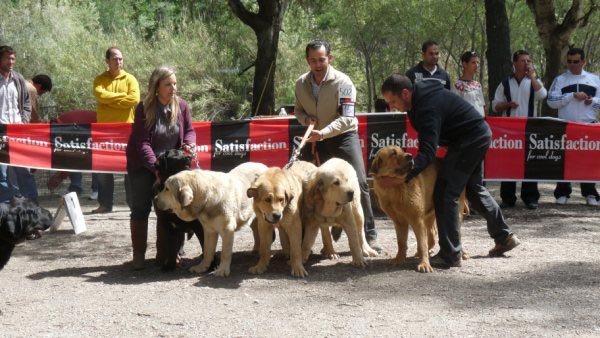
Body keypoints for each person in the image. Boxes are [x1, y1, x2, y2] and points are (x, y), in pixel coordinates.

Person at [381, 74, 520, 268]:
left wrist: (404, 177)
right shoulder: (419, 100)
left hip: (470, 140)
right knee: (473, 189)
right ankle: (504, 237)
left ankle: (450, 254)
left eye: (393, 101)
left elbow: (427, 153)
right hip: (476, 135)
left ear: (405, 93)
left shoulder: (426, 106)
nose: (392, 106)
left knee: (446, 192)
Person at [294, 39, 382, 253]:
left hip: (344, 136)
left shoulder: (344, 82)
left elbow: (348, 118)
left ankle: (369, 236)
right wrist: (306, 120)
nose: (317, 64)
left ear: (329, 59)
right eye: (313, 60)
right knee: (322, 185)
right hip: (317, 137)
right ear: (307, 61)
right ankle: (329, 234)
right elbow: (298, 111)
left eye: (321, 60)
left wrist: (322, 132)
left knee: (359, 182)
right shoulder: (300, 83)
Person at [126, 65, 196, 270]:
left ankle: (167, 254)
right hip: (142, 165)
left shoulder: (181, 106)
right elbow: (142, 144)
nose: (173, 88)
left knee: (170, 209)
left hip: (170, 166)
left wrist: (190, 144)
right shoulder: (144, 108)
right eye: (168, 84)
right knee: (140, 209)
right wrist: (156, 169)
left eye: (175, 83)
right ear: (156, 87)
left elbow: (190, 131)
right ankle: (138, 256)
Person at [491, 50, 547, 210]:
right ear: (514, 63)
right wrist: (508, 105)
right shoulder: (505, 82)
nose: (526, 64)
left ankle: (530, 197)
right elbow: (495, 105)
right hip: (509, 130)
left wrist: (533, 77)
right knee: (509, 163)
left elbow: (543, 95)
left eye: (528, 61)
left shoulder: (534, 82)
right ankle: (508, 198)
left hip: (530, 128)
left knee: (530, 162)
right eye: (523, 61)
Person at [547, 47, 600, 207]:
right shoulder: (560, 80)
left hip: (588, 125)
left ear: (583, 61)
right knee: (564, 159)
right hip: (565, 125)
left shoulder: (594, 79)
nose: (572, 65)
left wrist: (593, 102)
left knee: (588, 160)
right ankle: (562, 192)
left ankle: (590, 193)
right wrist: (570, 96)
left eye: (576, 61)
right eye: (569, 62)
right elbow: (551, 100)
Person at [92, 47, 140, 214]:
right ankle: (105, 205)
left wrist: (109, 101)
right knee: (103, 170)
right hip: (104, 132)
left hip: (127, 131)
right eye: (114, 59)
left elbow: (134, 99)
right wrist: (121, 99)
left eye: (120, 59)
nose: (118, 62)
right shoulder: (99, 79)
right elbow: (100, 96)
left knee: (130, 169)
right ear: (107, 61)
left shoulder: (130, 79)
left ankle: (134, 205)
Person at [0, 45, 37, 203]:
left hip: (17, 131)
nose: (11, 61)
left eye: (13, 58)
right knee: (2, 173)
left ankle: (32, 207)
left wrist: (24, 121)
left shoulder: (18, 78)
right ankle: (7, 210)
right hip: (1, 132)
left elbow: (27, 102)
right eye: (7, 58)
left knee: (24, 170)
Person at [453, 51, 485, 115]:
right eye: (473, 63)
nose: (476, 65)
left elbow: (482, 105)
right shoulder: (457, 86)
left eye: (477, 63)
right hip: (467, 122)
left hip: (480, 121)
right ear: (465, 64)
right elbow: (454, 108)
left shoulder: (478, 85)